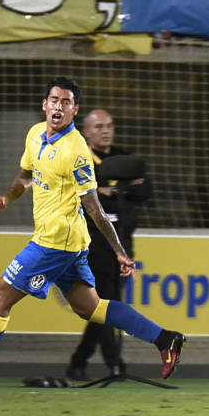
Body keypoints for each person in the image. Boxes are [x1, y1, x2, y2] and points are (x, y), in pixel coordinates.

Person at [0, 77, 186, 392]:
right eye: (54, 99)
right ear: (44, 104)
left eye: (66, 102)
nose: (58, 106)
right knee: (91, 307)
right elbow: (24, 177)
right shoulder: (35, 134)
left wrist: (118, 251)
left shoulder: (76, 151)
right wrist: (8, 196)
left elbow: (95, 208)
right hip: (67, 243)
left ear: (75, 109)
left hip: (53, 243)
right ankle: (165, 338)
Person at [65, 109, 151, 380]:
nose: (106, 130)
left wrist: (110, 192)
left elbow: (145, 191)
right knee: (107, 302)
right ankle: (115, 364)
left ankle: (79, 361)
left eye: (110, 125)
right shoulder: (78, 159)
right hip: (94, 242)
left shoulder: (125, 158)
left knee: (107, 304)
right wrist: (112, 192)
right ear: (86, 131)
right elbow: (77, 196)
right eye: (99, 126)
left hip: (123, 241)